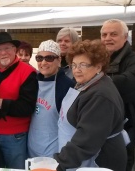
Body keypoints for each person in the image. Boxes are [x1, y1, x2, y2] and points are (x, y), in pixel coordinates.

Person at [54, 39, 127, 171]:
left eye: (83, 65)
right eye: (74, 65)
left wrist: (60, 164)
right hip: (81, 157)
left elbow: (86, 139)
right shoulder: (87, 84)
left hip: (99, 161)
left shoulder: (100, 96)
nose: (77, 70)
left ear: (98, 67)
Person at [0, 32, 38, 169]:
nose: (3, 53)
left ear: (14, 50)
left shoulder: (28, 72)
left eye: (7, 48)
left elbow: (27, 107)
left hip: (15, 137)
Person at [100, 19, 135, 171]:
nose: (107, 38)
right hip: (101, 128)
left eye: (113, 34)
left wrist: (94, 83)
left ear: (125, 37)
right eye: (104, 34)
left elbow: (129, 82)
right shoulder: (100, 60)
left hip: (125, 129)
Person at [28, 40, 74, 158]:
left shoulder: (67, 86)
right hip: (32, 145)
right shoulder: (32, 81)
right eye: (39, 58)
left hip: (54, 149)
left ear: (59, 60)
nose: (43, 62)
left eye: (49, 58)